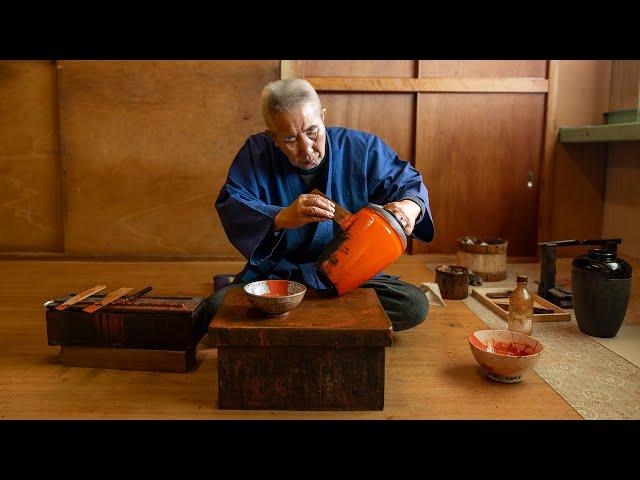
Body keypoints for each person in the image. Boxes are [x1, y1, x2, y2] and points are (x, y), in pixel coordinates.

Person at [207, 79, 434, 331]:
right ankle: (328, 320)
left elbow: (409, 184)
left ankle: (284, 318)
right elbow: (233, 201)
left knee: (413, 305)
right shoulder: (255, 152)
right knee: (216, 307)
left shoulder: (361, 149)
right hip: (280, 275)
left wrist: (409, 207)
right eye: (290, 139)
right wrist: (281, 217)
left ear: (323, 117)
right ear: (273, 137)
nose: (306, 149)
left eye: (312, 131)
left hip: (350, 275)